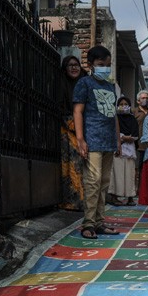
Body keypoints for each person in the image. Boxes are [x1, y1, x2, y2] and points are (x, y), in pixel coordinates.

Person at [73, 45, 120, 239]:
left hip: (109, 141)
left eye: (108, 65)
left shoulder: (110, 86)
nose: (105, 68)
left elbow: (114, 115)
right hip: (92, 140)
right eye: (101, 64)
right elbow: (78, 111)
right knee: (92, 182)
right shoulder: (84, 83)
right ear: (90, 64)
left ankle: (99, 222)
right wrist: (80, 139)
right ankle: (88, 224)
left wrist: (117, 139)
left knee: (104, 184)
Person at [57, 55, 87, 211]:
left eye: (76, 65)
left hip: (86, 130)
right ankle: (70, 201)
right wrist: (73, 126)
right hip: (67, 131)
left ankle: (83, 201)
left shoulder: (85, 84)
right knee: (69, 166)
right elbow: (60, 108)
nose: (74, 68)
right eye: (70, 65)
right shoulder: (61, 85)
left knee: (84, 167)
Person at [109, 96, 138, 206]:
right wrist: (122, 137)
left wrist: (128, 138)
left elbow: (135, 135)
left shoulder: (132, 119)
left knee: (130, 174)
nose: (123, 106)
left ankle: (130, 197)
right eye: (121, 104)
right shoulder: (114, 119)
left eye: (126, 104)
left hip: (130, 150)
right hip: (117, 149)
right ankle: (114, 197)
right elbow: (112, 132)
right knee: (116, 173)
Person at [133, 90, 148, 184]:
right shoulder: (134, 111)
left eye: (147, 98)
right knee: (136, 169)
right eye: (143, 98)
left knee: (147, 170)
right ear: (138, 101)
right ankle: (135, 190)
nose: (145, 100)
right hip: (137, 145)